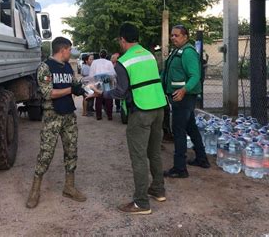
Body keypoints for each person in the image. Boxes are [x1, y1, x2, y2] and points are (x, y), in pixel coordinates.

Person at [88, 23, 167, 215]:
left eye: (119, 40)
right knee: (154, 152)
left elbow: (121, 92)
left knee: (138, 157)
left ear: (122, 39)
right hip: (159, 107)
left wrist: (101, 93)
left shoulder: (124, 61)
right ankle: (158, 190)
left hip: (140, 111)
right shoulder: (149, 54)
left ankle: (141, 203)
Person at [26, 37, 87, 209]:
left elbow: (75, 84)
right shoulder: (45, 67)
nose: (70, 52)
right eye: (69, 49)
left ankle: (69, 186)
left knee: (71, 151)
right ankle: (35, 191)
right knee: (46, 154)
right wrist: (71, 90)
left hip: (68, 115)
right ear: (63, 50)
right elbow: (47, 93)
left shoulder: (67, 66)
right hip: (52, 116)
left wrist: (87, 90)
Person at [162, 25, 210, 179]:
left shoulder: (188, 53)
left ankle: (180, 168)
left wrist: (183, 90)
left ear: (185, 37)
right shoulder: (176, 51)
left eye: (176, 35)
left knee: (179, 130)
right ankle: (202, 159)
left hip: (183, 97)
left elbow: (195, 75)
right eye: (172, 35)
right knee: (191, 127)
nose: (173, 38)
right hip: (179, 97)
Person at [89, 49, 115, 120]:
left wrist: (92, 83)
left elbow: (91, 73)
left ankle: (98, 116)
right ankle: (109, 116)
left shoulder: (94, 62)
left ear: (99, 55)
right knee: (109, 99)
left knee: (98, 99)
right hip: (107, 82)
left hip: (98, 81)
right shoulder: (109, 62)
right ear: (106, 55)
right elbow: (112, 73)